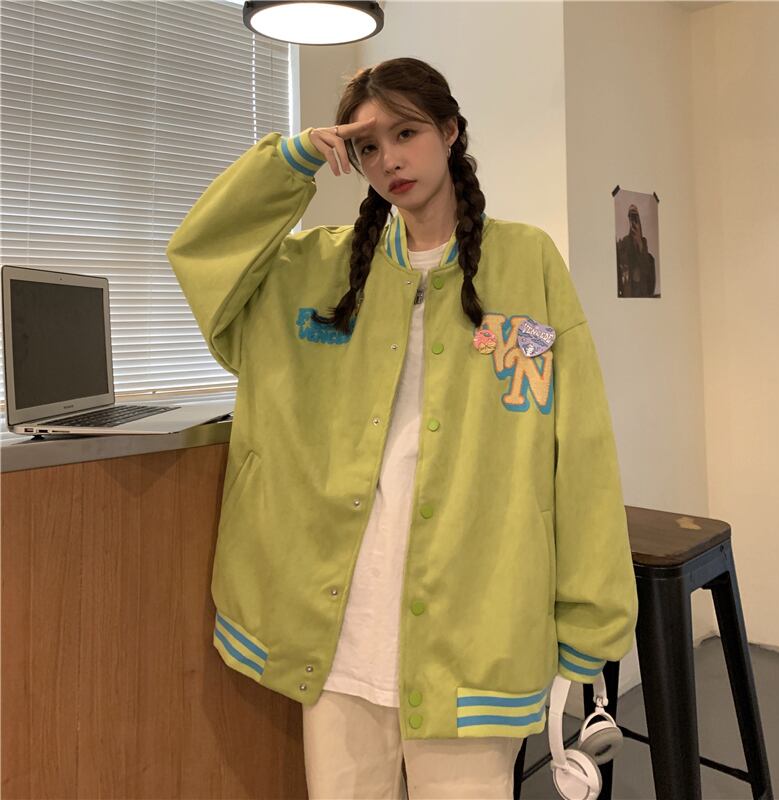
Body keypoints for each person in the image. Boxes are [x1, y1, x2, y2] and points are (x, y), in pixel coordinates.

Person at [166, 57, 638, 800]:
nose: (388, 159)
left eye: (406, 133)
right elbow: (203, 258)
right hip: (338, 626)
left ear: (449, 132)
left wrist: (591, 620)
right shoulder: (314, 271)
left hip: (475, 624)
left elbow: (579, 449)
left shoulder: (527, 262)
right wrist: (289, 161)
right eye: (367, 146)